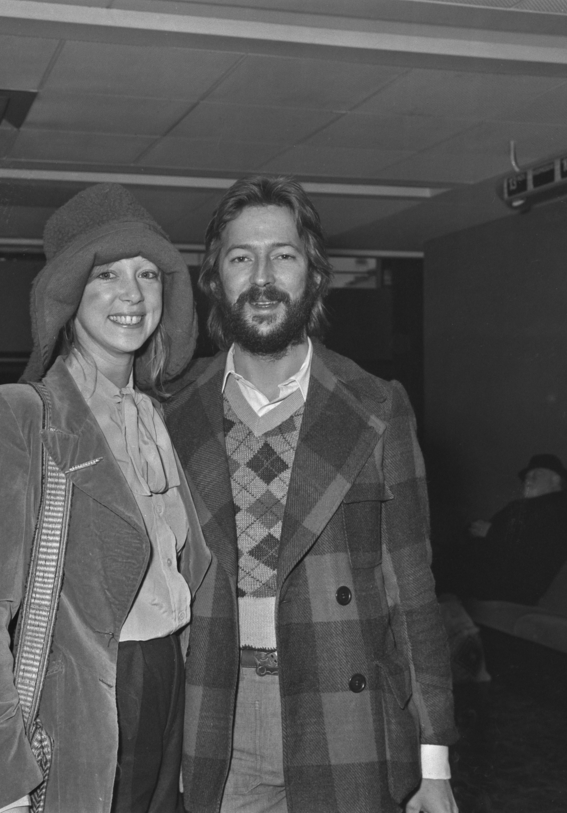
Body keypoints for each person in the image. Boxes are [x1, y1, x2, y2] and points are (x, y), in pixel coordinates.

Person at [164, 176, 458, 813]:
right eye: (242, 257)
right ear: (216, 278)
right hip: (219, 710)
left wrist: (435, 764)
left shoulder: (378, 405)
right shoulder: (171, 412)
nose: (263, 276)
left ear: (312, 274)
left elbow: (413, 592)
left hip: (345, 710)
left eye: (284, 255)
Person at [0, 183, 211, 813]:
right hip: (85, 706)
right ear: (67, 295)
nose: (133, 294)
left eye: (148, 274)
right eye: (107, 275)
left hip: (172, 682)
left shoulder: (160, 418)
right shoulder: (16, 416)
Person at [434, 453, 567, 605]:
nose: (528, 480)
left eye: (537, 474)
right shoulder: (520, 506)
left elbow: (540, 549)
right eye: (527, 476)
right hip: (484, 574)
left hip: (510, 586)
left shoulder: (564, 509)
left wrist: (491, 533)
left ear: (556, 480)